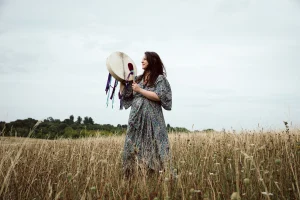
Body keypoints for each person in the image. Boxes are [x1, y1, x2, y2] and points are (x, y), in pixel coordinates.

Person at [120, 51, 172, 177]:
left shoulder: (160, 79)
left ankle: (155, 174)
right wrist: (121, 81)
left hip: (152, 120)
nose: (142, 61)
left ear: (152, 61)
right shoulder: (138, 79)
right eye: (142, 59)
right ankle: (131, 174)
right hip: (136, 119)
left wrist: (140, 90)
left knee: (153, 144)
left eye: (145, 59)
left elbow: (159, 96)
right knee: (132, 145)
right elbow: (126, 95)